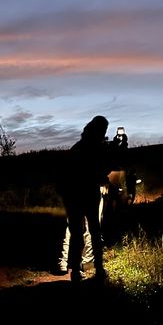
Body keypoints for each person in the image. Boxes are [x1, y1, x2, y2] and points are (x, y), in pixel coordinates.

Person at [59, 115, 113, 283]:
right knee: (93, 231)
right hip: (86, 193)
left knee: (78, 232)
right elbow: (101, 170)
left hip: (73, 194)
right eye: (103, 130)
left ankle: (77, 270)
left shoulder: (78, 147)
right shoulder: (95, 149)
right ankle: (97, 269)